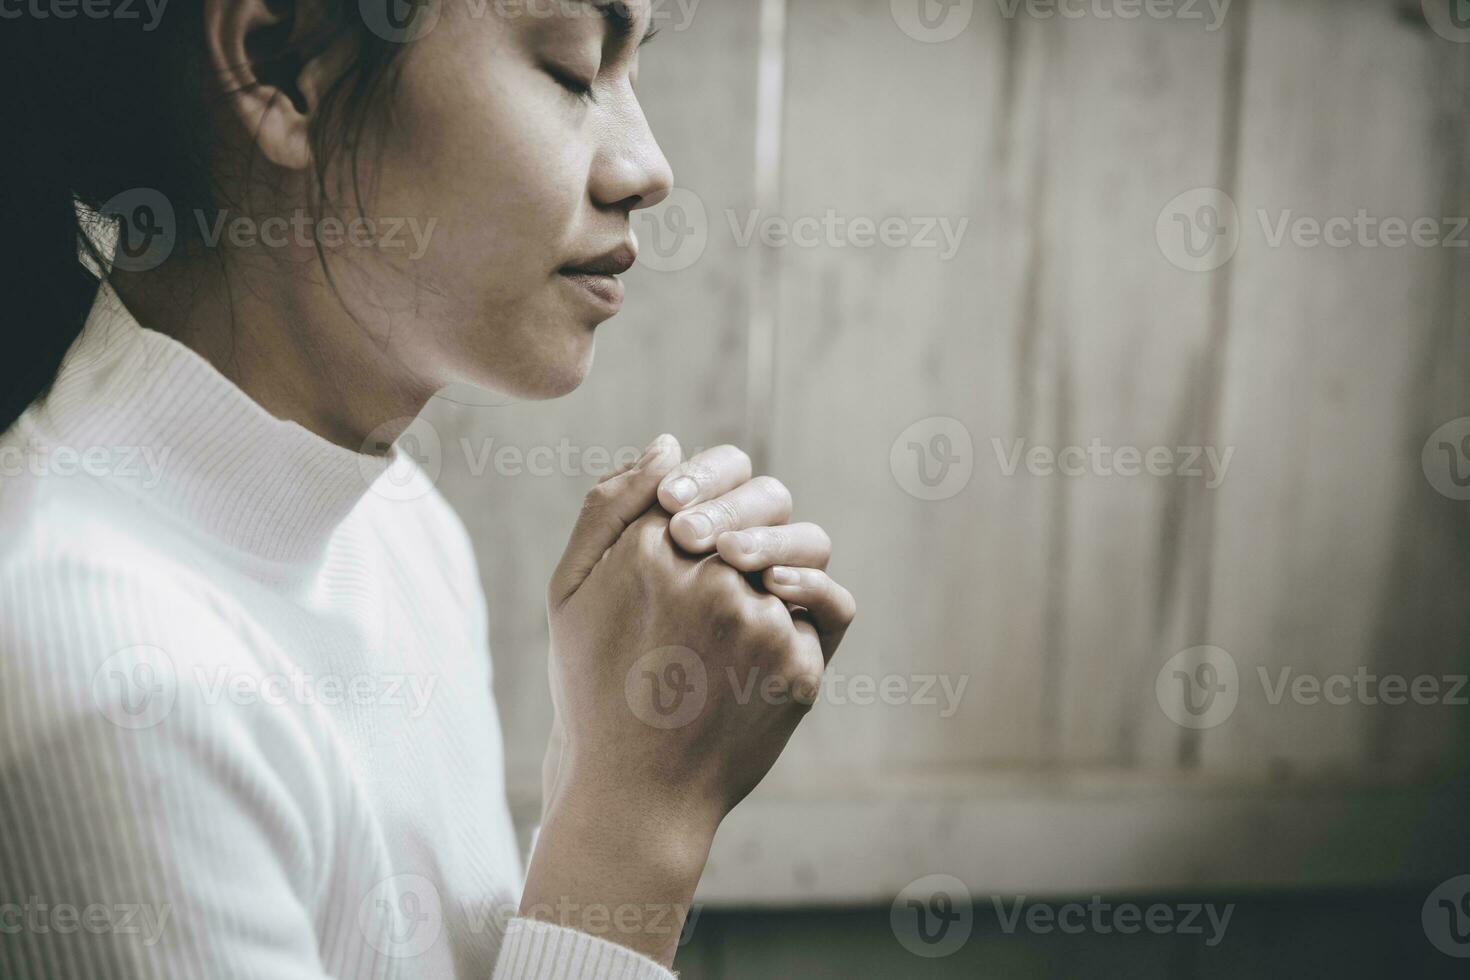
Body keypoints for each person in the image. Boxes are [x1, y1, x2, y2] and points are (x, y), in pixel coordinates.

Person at [0, 1, 856, 976]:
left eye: (632, 68)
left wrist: (604, 760)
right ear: (281, 69)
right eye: (573, 70)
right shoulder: (102, 675)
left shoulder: (403, 526)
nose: (647, 166)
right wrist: (635, 825)